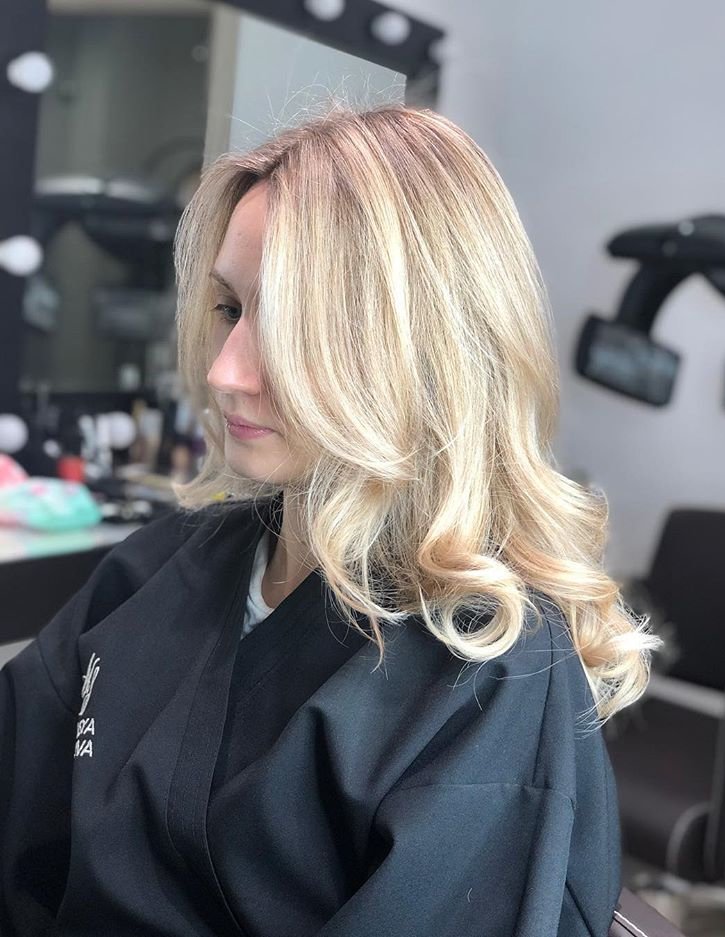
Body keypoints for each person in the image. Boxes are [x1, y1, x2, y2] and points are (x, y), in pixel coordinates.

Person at [0, 102, 660, 936]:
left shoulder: (483, 678)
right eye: (230, 309)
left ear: (426, 349)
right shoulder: (163, 566)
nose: (227, 372)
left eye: (291, 323)